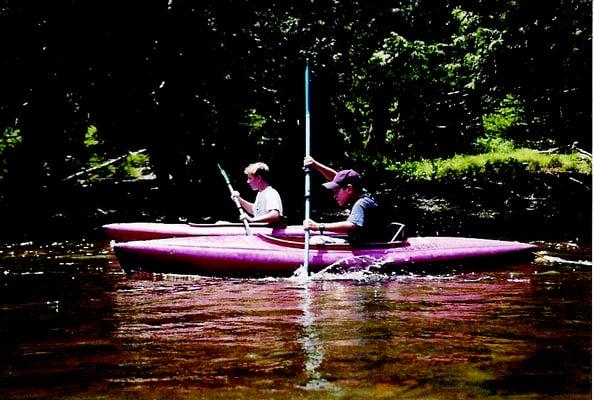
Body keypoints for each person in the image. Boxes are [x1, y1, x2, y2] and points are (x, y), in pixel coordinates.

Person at [303, 156, 388, 244]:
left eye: (336, 191)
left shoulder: (361, 203)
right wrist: (315, 165)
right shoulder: (362, 194)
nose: (334, 196)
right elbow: (337, 178)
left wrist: (319, 226)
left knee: (315, 240)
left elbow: (351, 225)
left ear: (349, 189)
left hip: (366, 246)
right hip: (365, 241)